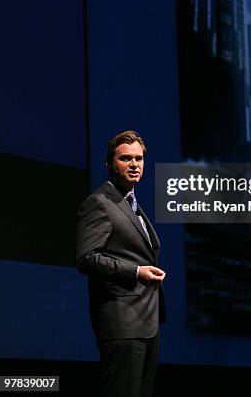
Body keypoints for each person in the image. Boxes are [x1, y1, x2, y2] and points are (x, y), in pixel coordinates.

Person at [76, 130, 166, 397]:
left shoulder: (132, 205)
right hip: (122, 323)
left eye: (138, 158)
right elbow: (86, 258)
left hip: (146, 322)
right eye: (126, 158)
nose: (134, 164)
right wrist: (137, 272)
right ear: (109, 164)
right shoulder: (99, 203)